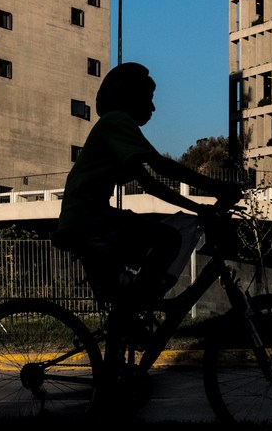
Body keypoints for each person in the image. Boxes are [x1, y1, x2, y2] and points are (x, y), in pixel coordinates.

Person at [54, 62, 241, 323]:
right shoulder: (116, 121)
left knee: (161, 235)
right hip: (89, 219)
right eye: (148, 98)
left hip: (86, 217)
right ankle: (129, 313)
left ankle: (131, 310)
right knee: (168, 238)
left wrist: (200, 208)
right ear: (130, 96)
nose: (152, 107)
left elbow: (150, 182)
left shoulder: (114, 128)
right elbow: (160, 167)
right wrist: (217, 189)